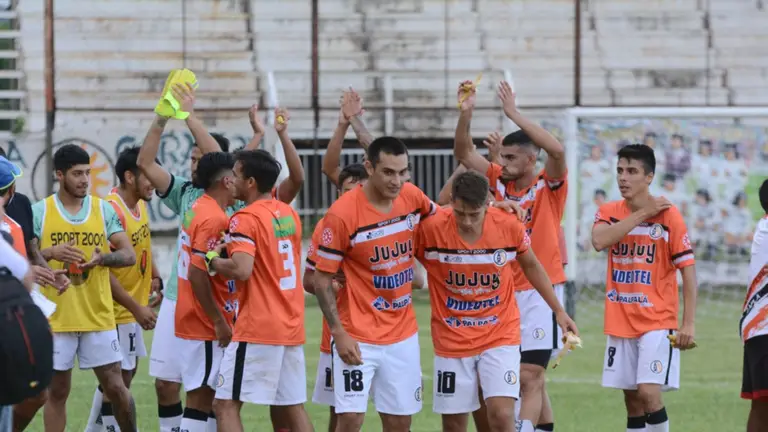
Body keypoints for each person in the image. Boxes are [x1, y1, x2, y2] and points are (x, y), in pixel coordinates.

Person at [137, 82, 303, 432]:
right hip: (186, 300)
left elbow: (227, 269)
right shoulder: (192, 195)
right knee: (178, 387)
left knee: (213, 396)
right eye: (191, 158)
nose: (193, 163)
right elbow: (146, 163)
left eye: (200, 158)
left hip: (218, 307)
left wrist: (189, 117)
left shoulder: (236, 209)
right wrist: (162, 118)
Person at [415, 171, 578, 432]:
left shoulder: (507, 225)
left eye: (474, 214)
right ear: (451, 203)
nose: (467, 222)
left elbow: (532, 265)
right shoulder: (430, 228)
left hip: (499, 335)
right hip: (451, 340)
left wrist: (559, 310)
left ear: (486, 206)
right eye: (460, 213)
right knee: (454, 425)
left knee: (502, 416)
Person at [453, 80, 567, 432]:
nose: (501, 163)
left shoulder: (548, 185)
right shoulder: (497, 179)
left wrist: (513, 113)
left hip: (539, 292)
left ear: (532, 159)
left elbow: (557, 150)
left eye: (511, 157)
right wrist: (466, 114)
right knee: (512, 379)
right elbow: (463, 153)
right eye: (501, 157)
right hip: (500, 291)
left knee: (529, 375)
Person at [312, 136, 437, 432]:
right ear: (369, 168)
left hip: (402, 335)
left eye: (403, 172)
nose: (397, 181)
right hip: (357, 335)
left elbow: (445, 219)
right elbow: (320, 279)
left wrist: (494, 208)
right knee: (349, 419)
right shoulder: (342, 214)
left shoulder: (412, 196)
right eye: (388, 172)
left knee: (399, 423)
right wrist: (338, 332)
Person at [591, 144, 697, 432]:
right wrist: (642, 213)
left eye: (632, 171)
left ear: (649, 177)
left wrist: (688, 323)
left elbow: (688, 271)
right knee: (633, 400)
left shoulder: (669, 216)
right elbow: (599, 241)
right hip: (621, 319)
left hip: (657, 320)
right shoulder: (608, 211)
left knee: (649, 393)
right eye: (620, 171)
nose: (623, 177)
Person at [33, 144, 139, 431]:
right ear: (59, 175)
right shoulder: (40, 212)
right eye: (77, 173)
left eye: (87, 173)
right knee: (57, 392)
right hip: (57, 318)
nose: (84, 180)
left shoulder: (103, 210)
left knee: (116, 387)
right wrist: (51, 253)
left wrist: (103, 258)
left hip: (98, 316)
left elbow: (129, 255)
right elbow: (25, 259)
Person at [208, 150, 312, 432]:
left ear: (251, 182)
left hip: (259, 326)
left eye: (236, 175)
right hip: (291, 324)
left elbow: (242, 269)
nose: (230, 180)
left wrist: (212, 261)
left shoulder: (244, 218)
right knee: (292, 406)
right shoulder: (288, 212)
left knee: (224, 405)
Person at [84, 147, 162, 431]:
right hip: (116, 310)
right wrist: (136, 308)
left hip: (131, 309)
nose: (154, 181)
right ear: (130, 177)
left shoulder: (139, 203)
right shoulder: (111, 210)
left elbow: (142, 245)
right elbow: (102, 270)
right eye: (149, 175)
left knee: (121, 378)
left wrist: (154, 275)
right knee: (119, 381)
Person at [175, 152, 238, 432]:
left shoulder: (199, 207)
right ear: (226, 181)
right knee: (200, 398)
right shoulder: (213, 218)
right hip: (203, 322)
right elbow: (197, 272)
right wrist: (218, 321)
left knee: (212, 397)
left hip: (194, 315)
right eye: (236, 176)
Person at [304, 163, 369, 432]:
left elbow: (417, 280)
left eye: (358, 191)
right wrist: (331, 284)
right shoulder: (327, 226)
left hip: (390, 331)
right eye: (346, 191)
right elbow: (309, 280)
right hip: (342, 329)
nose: (352, 197)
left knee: (396, 413)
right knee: (341, 409)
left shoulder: (389, 221)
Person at [741, 179, 768, 432]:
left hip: (758, 328)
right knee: (762, 406)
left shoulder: (764, 225)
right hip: (764, 327)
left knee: (761, 406)